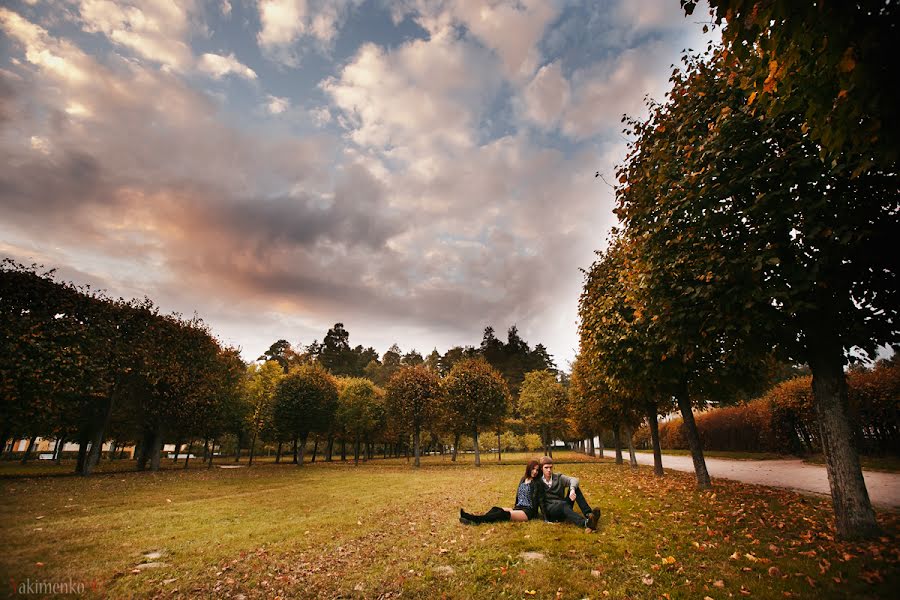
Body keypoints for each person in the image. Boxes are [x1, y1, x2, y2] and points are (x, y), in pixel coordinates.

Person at [459, 460, 545, 525]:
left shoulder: (538, 483)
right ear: (529, 468)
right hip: (518, 508)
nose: (535, 472)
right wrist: (515, 508)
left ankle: (474, 519)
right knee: (495, 509)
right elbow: (519, 496)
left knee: (502, 514)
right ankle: (481, 519)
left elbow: (541, 500)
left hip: (527, 512)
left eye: (537, 470)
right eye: (533, 469)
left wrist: (546, 518)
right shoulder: (523, 479)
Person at [538, 455, 600, 531]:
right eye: (546, 468)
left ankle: (589, 515)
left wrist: (572, 490)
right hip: (551, 511)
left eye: (551, 467)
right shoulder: (538, 481)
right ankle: (585, 523)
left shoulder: (558, 477)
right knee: (562, 504)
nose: (549, 470)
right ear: (541, 468)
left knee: (575, 487)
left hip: (564, 506)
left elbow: (574, 480)